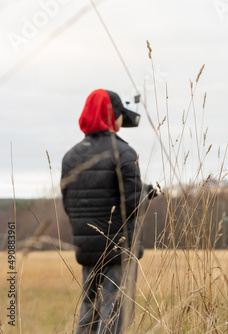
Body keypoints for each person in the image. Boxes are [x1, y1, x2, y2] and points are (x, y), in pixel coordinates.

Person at [61, 89, 153, 334]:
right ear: (113, 116)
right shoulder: (124, 153)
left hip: (88, 250)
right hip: (118, 250)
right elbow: (136, 206)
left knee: (88, 315)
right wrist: (145, 193)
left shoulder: (70, 156)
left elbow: (69, 204)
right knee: (113, 315)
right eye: (120, 114)